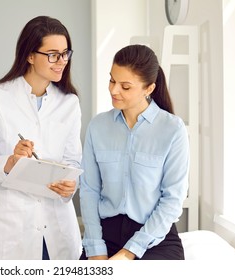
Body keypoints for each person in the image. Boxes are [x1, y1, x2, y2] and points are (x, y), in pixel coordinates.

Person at [0, 15, 82, 260]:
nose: (61, 61)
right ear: (30, 55)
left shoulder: (69, 103)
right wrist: (9, 162)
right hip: (9, 231)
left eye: (65, 53)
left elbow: (73, 162)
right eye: (52, 54)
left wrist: (70, 185)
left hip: (56, 228)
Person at [79, 44, 190, 260]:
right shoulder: (98, 126)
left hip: (154, 236)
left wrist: (129, 252)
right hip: (105, 235)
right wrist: (96, 248)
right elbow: (89, 190)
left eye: (125, 86)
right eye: (112, 80)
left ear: (148, 89)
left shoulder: (173, 130)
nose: (113, 90)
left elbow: (172, 199)